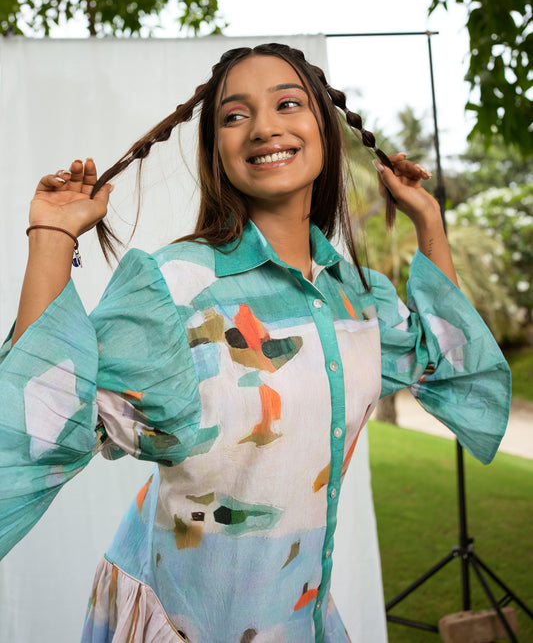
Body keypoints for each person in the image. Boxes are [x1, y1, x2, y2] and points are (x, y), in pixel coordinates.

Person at [0, 43, 510, 643]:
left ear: (323, 126)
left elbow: (452, 370)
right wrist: (53, 237)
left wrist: (429, 221)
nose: (264, 127)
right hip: (182, 618)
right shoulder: (173, 285)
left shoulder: (356, 297)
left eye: (287, 104)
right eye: (234, 116)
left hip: (300, 617)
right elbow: (34, 424)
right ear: (216, 148)